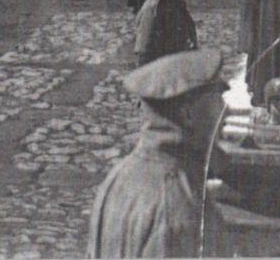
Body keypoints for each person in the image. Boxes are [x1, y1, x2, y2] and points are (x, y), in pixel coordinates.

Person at [88, 48, 226, 259]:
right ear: (188, 113)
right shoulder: (175, 203)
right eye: (218, 100)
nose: (225, 111)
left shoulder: (119, 175)